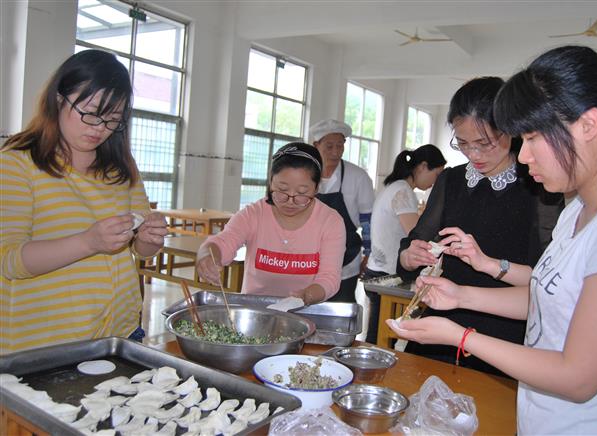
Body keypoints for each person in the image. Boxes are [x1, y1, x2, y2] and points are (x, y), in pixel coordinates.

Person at [390, 46, 597, 435]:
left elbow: (578, 377)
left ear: (588, 125)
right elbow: (545, 298)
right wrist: (460, 296)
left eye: (531, 137)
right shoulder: (579, 212)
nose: (524, 155)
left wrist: (460, 336)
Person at [0, 49, 167, 354]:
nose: (99, 128)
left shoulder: (121, 167)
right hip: (47, 342)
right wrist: (88, 242)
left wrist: (149, 238)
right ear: (59, 99)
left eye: (112, 119)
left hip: (120, 332)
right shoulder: (17, 163)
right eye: (90, 112)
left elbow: (141, 250)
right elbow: (9, 260)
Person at [396, 77, 563, 375]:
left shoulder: (538, 184)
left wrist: (489, 263)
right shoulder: (451, 180)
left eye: (484, 143)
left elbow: (545, 277)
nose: (473, 155)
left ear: (510, 130)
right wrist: (410, 256)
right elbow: (415, 242)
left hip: (503, 331)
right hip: (442, 324)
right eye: (463, 143)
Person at [196, 143, 346, 305]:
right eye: (282, 190)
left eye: (302, 193)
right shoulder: (254, 214)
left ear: (316, 188)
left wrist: (307, 296)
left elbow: (329, 277)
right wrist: (206, 256)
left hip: (305, 310)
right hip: (256, 310)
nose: (290, 201)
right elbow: (222, 242)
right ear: (270, 182)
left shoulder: (330, 222)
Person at [364, 144, 447, 343]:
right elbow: (416, 236)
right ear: (423, 167)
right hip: (386, 275)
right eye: (436, 175)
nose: (435, 183)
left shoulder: (394, 186)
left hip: (377, 270)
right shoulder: (403, 190)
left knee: (378, 334)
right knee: (382, 337)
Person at [309, 119, 375, 303]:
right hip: (308, 254)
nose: (335, 152)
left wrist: (368, 254)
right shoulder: (306, 173)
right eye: (329, 146)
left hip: (347, 257)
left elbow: (368, 220)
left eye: (340, 146)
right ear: (316, 145)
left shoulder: (358, 176)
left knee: (341, 306)